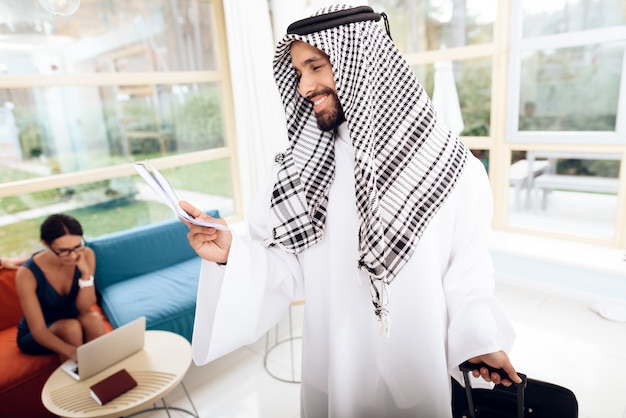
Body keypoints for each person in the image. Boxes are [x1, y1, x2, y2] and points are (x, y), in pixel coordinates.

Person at [181, 4, 521, 416]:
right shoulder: (297, 170)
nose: (305, 86)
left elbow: (466, 270)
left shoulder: (450, 166)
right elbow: (287, 269)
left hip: (417, 371)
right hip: (334, 373)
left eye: (316, 67)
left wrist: (479, 339)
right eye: (298, 73)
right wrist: (230, 254)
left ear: (363, 62)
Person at [15, 213, 105, 361]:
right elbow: (38, 331)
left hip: (75, 320)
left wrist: (86, 274)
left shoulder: (86, 255)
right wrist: (73, 353)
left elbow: (85, 308)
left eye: (77, 247)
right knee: (70, 328)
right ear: (45, 244)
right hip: (40, 333)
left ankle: (105, 371)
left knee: (93, 319)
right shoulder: (27, 274)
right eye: (63, 251)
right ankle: (80, 376)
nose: (73, 256)